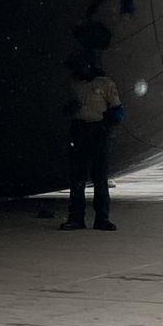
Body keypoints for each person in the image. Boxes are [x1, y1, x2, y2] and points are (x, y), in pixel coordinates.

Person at [63, 53, 122, 231]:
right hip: (79, 129)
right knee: (77, 177)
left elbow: (117, 109)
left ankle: (102, 218)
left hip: (98, 130)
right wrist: (69, 109)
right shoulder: (74, 83)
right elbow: (66, 106)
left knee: (100, 177)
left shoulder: (105, 84)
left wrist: (107, 124)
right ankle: (76, 218)